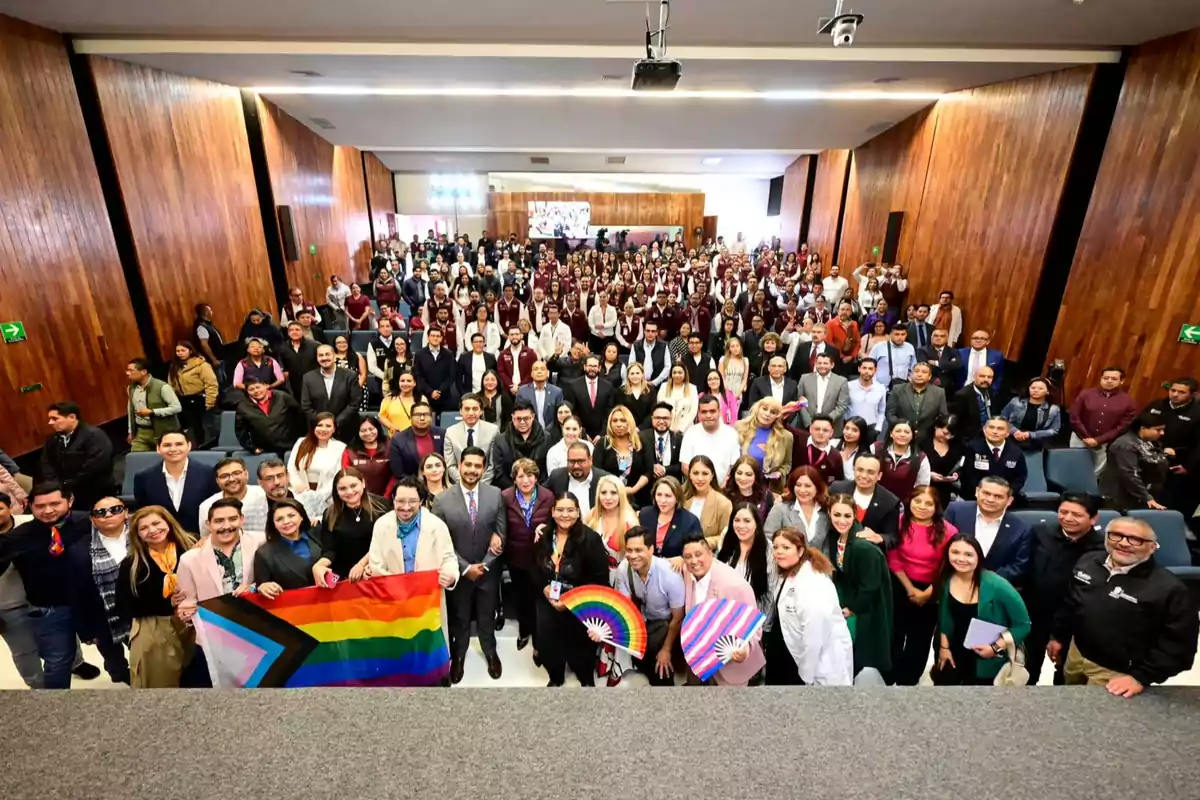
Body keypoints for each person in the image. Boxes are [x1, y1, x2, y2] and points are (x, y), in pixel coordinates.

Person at [1049, 516, 1198, 697]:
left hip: (1116, 674)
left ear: (1152, 547)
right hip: (1075, 655)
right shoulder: (1088, 562)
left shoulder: (1170, 589)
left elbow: (1179, 647)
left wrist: (1140, 677)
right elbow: (1070, 604)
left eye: (1136, 539)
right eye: (1116, 535)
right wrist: (1058, 637)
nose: (1123, 543)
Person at [0, 484, 92, 688]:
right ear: (28, 506)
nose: (48, 510)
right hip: (50, 609)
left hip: (91, 602)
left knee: (118, 655)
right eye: (40, 506)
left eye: (55, 504)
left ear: (70, 500)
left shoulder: (89, 522)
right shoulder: (17, 537)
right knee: (58, 661)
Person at [432, 446, 506, 682]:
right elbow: (441, 542)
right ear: (459, 466)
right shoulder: (442, 500)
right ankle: (459, 656)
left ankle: (490, 652)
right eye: (469, 465)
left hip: (488, 572)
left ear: (483, 469)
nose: (473, 470)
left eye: (478, 466)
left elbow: (501, 533)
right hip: (459, 573)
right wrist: (465, 568)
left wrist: (484, 565)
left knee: (487, 616)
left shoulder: (496, 495)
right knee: (460, 618)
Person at [117, 505, 204, 689]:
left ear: (168, 523)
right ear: (137, 534)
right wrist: (166, 603)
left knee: (196, 680)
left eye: (156, 523)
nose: (152, 530)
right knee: (159, 684)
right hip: (155, 626)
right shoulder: (132, 565)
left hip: (195, 622)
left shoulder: (193, 547)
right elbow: (123, 606)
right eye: (144, 528)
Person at [1022, 493, 1105, 685]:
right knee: (1027, 669)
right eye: (1063, 512)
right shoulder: (1040, 532)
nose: (1068, 518)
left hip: (1075, 620)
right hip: (1035, 614)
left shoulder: (1102, 547)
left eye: (1076, 515)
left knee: (1066, 676)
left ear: (1093, 518)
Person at [931, 534, 1030, 685]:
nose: (961, 559)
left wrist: (995, 647)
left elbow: (1023, 625)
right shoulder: (946, 579)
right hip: (953, 651)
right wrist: (944, 648)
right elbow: (944, 616)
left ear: (979, 558)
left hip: (987, 655)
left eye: (968, 554)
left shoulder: (998, 586)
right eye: (955, 552)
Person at [535, 493, 609, 686]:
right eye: (560, 510)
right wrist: (544, 588)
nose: (565, 515)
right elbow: (534, 570)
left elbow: (599, 581)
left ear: (578, 513)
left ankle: (585, 677)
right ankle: (556, 676)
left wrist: (571, 600)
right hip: (548, 602)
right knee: (549, 643)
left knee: (580, 649)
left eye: (570, 510)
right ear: (552, 512)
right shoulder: (543, 536)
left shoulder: (591, 540)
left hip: (580, 606)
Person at [885, 486, 957, 685]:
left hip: (933, 588)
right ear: (909, 502)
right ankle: (891, 674)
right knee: (895, 631)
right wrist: (910, 589)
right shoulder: (898, 523)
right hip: (900, 583)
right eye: (918, 501)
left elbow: (948, 566)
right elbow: (893, 556)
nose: (922, 507)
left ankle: (910, 678)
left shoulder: (948, 531)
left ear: (936, 507)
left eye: (928, 503)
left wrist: (928, 593)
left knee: (921, 636)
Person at [768, 527, 853, 685]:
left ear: (800, 551)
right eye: (775, 547)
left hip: (821, 665)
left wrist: (805, 675)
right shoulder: (789, 572)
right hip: (798, 655)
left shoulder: (811, 583)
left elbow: (813, 636)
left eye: (786, 547)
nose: (779, 552)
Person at [679, 533, 766, 685]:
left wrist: (744, 649)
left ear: (711, 553)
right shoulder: (688, 572)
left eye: (699, 554)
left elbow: (753, 623)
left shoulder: (734, 584)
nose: (694, 561)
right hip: (700, 661)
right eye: (688, 557)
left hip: (730, 666)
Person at [824, 493, 893, 677]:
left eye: (847, 516)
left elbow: (870, 586)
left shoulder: (864, 547)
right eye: (836, 515)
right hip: (847, 599)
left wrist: (852, 607)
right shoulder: (835, 538)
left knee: (856, 656)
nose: (841, 520)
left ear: (855, 515)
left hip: (862, 607)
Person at [610, 527, 687, 686]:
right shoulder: (624, 569)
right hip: (644, 619)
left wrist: (666, 650)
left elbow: (678, 618)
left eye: (639, 550)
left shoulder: (669, 575)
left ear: (651, 549)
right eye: (629, 550)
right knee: (637, 653)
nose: (632, 556)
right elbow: (625, 607)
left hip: (669, 623)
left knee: (661, 663)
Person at [176, 498, 264, 627]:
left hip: (261, 628)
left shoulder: (261, 542)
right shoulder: (189, 559)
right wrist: (187, 614)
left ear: (241, 519)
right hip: (215, 632)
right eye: (219, 521)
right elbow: (187, 603)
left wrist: (253, 589)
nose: (226, 526)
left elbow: (277, 582)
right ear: (208, 524)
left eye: (233, 519)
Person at [368, 475, 459, 594]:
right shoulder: (381, 525)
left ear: (421, 501)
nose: (406, 507)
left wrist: (450, 575)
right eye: (400, 501)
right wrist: (399, 587)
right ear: (393, 499)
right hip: (392, 596)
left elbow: (449, 558)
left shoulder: (436, 525)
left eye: (412, 501)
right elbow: (376, 565)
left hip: (428, 597)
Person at [500, 460, 554, 653]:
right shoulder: (505, 497)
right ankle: (524, 631)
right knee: (521, 598)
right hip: (516, 558)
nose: (525, 480)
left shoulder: (548, 496)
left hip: (541, 558)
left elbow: (554, 523)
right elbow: (501, 524)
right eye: (520, 476)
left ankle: (540, 640)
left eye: (530, 475)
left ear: (536, 477)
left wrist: (546, 529)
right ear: (514, 479)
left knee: (540, 599)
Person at [944, 477, 1032, 585]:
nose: (990, 499)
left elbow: (1018, 565)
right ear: (977, 492)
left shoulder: (1020, 528)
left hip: (995, 588)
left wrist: (986, 581)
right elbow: (940, 546)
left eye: (998, 496)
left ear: (1009, 501)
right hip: (952, 582)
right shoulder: (955, 511)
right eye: (986, 493)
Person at [310, 468, 388, 586]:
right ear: (336, 491)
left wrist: (362, 564)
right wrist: (319, 565)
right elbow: (330, 551)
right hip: (346, 577)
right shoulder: (330, 513)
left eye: (353, 485)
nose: (349, 492)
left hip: (376, 569)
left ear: (363, 483)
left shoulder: (382, 505)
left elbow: (385, 542)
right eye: (342, 489)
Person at [130, 431, 216, 536]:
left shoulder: (208, 473)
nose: (173, 449)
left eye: (179, 444)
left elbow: (216, 510)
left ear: (189, 446)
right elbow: (142, 513)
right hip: (161, 540)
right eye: (167, 445)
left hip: (201, 539)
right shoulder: (143, 477)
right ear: (158, 448)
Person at [40, 402, 116, 509]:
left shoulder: (94, 436)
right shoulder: (53, 439)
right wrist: (55, 484)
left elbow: (96, 465)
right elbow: (46, 463)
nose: (50, 423)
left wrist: (70, 483)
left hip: (94, 492)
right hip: (65, 491)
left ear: (72, 417)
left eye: (55, 418)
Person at [1069, 366, 1138, 475]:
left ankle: (1087, 491)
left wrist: (1098, 440)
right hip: (1080, 439)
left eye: (1114, 379)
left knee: (1094, 473)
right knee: (1071, 467)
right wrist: (1087, 437)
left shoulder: (1128, 402)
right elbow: (1074, 416)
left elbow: (1122, 427)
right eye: (1106, 378)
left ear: (1122, 381)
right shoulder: (1086, 394)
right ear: (1101, 379)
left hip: (1104, 444)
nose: (1109, 381)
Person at [828, 453, 901, 549]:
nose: (863, 475)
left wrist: (879, 537)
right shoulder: (836, 489)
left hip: (866, 553)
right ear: (853, 470)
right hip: (834, 550)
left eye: (870, 472)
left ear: (879, 475)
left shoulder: (890, 501)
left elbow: (893, 537)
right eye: (860, 470)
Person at [1100, 412, 1169, 510]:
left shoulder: (1151, 441)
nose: (1162, 433)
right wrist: (1147, 497)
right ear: (1143, 429)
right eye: (1158, 430)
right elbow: (1129, 473)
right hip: (1120, 495)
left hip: (1140, 493)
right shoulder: (1125, 445)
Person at [254, 498, 321, 596]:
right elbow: (261, 586)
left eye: (291, 516)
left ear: (301, 516)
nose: (286, 521)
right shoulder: (264, 553)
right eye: (279, 519)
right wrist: (263, 587)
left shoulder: (318, 536)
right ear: (274, 524)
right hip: (294, 606)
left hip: (331, 603)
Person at [301, 344, 363, 442]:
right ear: (317, 358)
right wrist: (323, 423)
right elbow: (305, 405)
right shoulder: (308, 377)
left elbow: (355, 402)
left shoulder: (350, 375)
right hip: (319, 431)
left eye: (327, 354)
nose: (324, 358)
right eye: (320, 355)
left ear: (334, 356)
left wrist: (336, 422)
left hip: (345, 429)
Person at [637, 476, 703, 567]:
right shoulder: (645, 514)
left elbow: (698, 551)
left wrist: (682, 558)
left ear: (677, 498)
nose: (662, 500)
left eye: (668, 496)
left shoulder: (690, 521)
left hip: (676, 571)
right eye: (659, 495)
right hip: (647, 568)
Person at [733, 398, 795, 493]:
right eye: (764, 409)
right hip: (740, 486)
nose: (767, 414)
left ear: (777, 416)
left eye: (773, 412)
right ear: (757, 409)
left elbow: (787, 464)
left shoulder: (786, 437)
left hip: (769, 490)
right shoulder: (739, 428)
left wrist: (780, 473)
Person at [197, 457, 269, 538]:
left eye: (236, 473)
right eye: (224, 476)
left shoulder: (265, 495)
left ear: (246, 474)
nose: (231, 479)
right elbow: (206, 539)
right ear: (217, 481)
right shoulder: (207, 506)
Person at [959, 416, 1028, 499]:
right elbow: (967, 476)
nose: (995, 431)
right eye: (991, 427)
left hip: (1003, 498)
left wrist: (1006, 493)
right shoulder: (972, 448)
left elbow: (1020, 477)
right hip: (974, 497)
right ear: (984, 430)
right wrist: (985, 494)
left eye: (1000, 429)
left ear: (1007, 433)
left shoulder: (1016, 452)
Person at [592, 405, 651, 500]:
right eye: (615, 421)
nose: (618, 424)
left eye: (623, 420)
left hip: (639, 496)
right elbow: (596, 471)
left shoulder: (642, 442)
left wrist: (633, 489)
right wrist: (615, 490)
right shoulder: (602, 443)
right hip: (609, 496)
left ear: (630, 422)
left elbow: (648, 471)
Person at [764, 465, 830, 547]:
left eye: (807, 486)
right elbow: (768, 540)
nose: (802, 490)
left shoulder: (825, 511)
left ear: (817, 487)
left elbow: (826, 548)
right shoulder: (780, 509)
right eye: (798, 485)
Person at [126, 358, 183, 452]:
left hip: (162, 432)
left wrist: (153, 412)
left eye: (131, 370)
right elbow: (130, 410)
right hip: (141, 432)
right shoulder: (131, 388)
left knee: (166, 459)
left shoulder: (162, 387)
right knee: (136, 459)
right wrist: (131, 431)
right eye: (127, 370)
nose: (127, 373)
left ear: (143, 371)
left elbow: (177, 408)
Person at [491, 399, 549, 491]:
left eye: (526, 418)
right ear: (512, 418)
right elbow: (499, 472)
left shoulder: (546, 438)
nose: (522, 422)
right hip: (510, 491)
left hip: (539, 490)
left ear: (533, 417)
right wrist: (516, 490)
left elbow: (546, 470)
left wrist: (535, 489)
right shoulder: (501, 440)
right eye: (518, 419)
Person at [286, 412, 348, 499]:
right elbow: (291, 468)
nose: (323, 429)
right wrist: (298, 486)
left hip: (327, 496)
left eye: (328, 426)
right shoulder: (301, 442)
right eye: (320, 425)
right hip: (299, 492)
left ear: (334, 429)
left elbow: (337, 475)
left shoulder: (340, 447)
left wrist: (318, 496)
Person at [167, 341, 218, 446]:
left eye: (183, 350)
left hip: (201, 399)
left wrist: (210, 402)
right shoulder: (175, 367)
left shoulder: (201, 365)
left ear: (190, 351)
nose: (180, 353)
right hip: (185, 401)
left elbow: (211, 384)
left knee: (208, 427)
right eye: (178, 351)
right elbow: (171, 385)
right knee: (193, 429)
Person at [885, 363, 948, 446]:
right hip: (900, 435)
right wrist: (903, 429)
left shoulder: (939, 392)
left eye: (924, 372)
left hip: (927, 437)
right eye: (917, 371)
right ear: (911, 374)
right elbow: (890, 413)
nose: (919, 374)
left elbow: (942, 416)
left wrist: (930, 430)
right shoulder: (898, 389)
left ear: (929, 377)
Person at [443, 393, 500, 484]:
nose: (471, 413)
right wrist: (465, 483)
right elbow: (450, 465)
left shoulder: (493, 431)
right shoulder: (451, 432)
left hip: (485, 484)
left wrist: (480, 485)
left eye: (475, 409)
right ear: (461, 411)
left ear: (481, 411)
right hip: (460, 485)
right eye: (467, 409)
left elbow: (492, 465)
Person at [681, 455, 733, 549]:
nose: (700, 478)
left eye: (705, 473)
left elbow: (726, 536)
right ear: (689, 475)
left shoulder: (724, 503)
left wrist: (703, 544)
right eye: (695, 473)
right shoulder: (680, 497)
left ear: (712, 475)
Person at [872, 420, 931, 501]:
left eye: (907, 432)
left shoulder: (920, 458)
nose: (902, 434)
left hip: (903, 504)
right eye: (898, 431)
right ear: (891, 433)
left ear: (912, 436)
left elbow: (922, 487)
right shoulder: (876, 448)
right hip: (874, 498)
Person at [387, 400, 444, 480]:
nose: (422, 418)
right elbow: (398, 472)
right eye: (417, 415)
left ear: (431, 417)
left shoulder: (443, 434)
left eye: (426, 414)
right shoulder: (398, 439)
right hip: (411, 485)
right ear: (410, 417)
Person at [565, 355, 617, 440]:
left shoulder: (608, 386)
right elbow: (573, 411)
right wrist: (583, 433)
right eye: (589, 366)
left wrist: (602, 434)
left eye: (594, 366)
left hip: (603, 435)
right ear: (585, 367)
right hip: (580, 434)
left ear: (599, 368)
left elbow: (609, 411)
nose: (592, 368)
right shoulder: (573, 385)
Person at [1001, 377, 1061, 450]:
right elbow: (1002, 418)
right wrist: (1014, 431)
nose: (1036, 390)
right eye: (1033, 388)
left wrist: (1030, 434)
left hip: (1037, 444)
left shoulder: (1053, 409)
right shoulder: (1016, 401)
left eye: (1040, 389)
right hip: (1012, 440)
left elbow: (1054, 430)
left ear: (1047, 391)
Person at [413, 326, 459, 415]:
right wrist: (430, 392)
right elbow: (418, 376)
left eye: (438, 336)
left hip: (445, 396)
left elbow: (451, 375)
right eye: (433, 335)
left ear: (442, 338)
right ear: (428, 337)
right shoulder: (419, 354)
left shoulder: (448, 354)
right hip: (425, 396)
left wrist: (439, 391)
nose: (435, 338)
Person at [923, 415, 963, 510]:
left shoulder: (958, 447)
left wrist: (955, 476)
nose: (946, 437)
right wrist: (929, 474)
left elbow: (962, 467)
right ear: (936, 427)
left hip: (946, 491)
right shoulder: (923, 442)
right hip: (925, 486)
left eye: (950, 435)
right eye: (944, 433)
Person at [952, 365, 996, 445]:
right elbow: (957, 422)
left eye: (989, 377)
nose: (986, 380)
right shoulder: (963, 395)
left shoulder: (990, 390)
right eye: (982, 376)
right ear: (974, 376)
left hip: (989, 432)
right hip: (970, 437)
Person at [279, 321, 320, 397]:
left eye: (297, 329)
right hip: (295, 383)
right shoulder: (283, 347)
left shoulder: (315, 345)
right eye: (291, 330)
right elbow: (283, 365)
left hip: (314, 380)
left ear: (303, 331)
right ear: (288, 333)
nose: (294, 332)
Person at [847, 359, 887, 434]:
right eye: (864, 368)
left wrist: (878, 428)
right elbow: (844, 407)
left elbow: (881, 411)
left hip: (871, 428)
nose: (867, 371)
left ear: (876, 370)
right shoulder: (849, 386)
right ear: (859, 369)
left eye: (870, 368)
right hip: (851, 427)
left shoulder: (881, 388)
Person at [628, 320, 671, 388]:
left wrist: (655, 382)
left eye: (653, 331)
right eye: (648, 331)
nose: (650, 333)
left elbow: (667, 367)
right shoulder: (636, 345)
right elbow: (631, 365)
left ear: (657, 333)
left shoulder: (664, 346)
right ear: (644, 331)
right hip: (638, 383)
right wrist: (640, 380)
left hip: (658, 384)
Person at [331, 335, 369, 412]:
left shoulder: (357, 356)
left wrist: (355, 388)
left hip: (356, 387)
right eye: (339, 343)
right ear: (334, 345)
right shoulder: (331, 357)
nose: (342, 344)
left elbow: (363, 374)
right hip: (335, 389)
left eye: (344, 342)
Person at [379, 371, 423, 436]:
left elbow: (425, 417)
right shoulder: (389, 398)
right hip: (395, 438)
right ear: (398, 383)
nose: (405, 384)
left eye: (409, 381)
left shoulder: (421, 399)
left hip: (416, 438)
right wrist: (391, 426)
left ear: (414, 383)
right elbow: (382, 417)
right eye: (402, 381)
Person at [456, 332, 498, 397]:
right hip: (470, 394)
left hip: (488, 393)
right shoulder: (464, 357)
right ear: (472, 343)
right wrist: (463, 394)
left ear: (484, 343)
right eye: (476, 342)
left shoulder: (490, 357)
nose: (478, 344)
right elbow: (458, 377)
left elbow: (496, 376)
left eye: (481, 342)